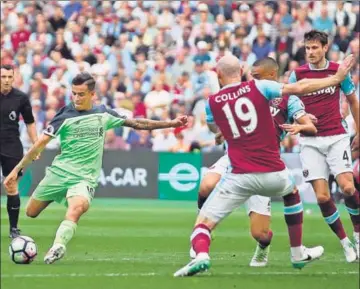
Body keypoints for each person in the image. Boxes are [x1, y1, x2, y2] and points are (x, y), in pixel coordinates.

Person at [174, 53, 354, 277]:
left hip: (238, 174)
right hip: (269, 170)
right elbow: (301, 87)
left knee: (210, 227)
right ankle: (297, 252)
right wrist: (335, 78)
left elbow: (214, 128)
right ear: (241, 72)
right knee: (291, 192)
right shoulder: (260, 88)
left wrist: (303, 123)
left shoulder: (212, 102)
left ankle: (202, 253)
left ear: (218, 75)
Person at [3, 72, 188, 264]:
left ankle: (58, 246)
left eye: (81, 94)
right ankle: (61, 196)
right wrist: (16, 171)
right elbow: (39, 144)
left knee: (77, 208)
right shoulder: (65, 115)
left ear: (92, 95)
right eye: (73, 93)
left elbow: (138, 123)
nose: (76, 98)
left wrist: (171, 123)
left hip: (84, 178)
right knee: (31, 212)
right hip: (59, 173)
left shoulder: (103, 114)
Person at [193, 57, 318, 267]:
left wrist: (302, 126)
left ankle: (263, 246)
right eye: (252, 75)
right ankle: (202, 231)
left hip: (264, 163)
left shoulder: (286, 98)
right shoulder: (246, 92)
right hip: (234, 159)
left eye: (257, 76)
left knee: (260, 233)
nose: (253, 79)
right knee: (206, 184)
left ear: (271, 76)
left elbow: (309, 124)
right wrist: (220, 132)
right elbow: (217, 125)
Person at [289, 30, 359, 261]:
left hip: (337, 136)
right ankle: (345, 243)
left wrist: (359, 131)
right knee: (321, 197)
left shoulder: (338, 71)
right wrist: (301, 118)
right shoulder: (297, 74)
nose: (310, 52)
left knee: (348, 188)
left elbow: (352, 101)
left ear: (325, 47)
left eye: (314, 48)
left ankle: (358, 235)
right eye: (307, 48)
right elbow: (288, 102)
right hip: (310, 141)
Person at [0, 64, 38, 238]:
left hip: (11, 145)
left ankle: (13, 229)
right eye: (3, 77)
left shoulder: (21, 98)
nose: (6, 80)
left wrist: (37, 145)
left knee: (11, 184)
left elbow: (30, 122)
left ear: (13, 77)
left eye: (9, 77)